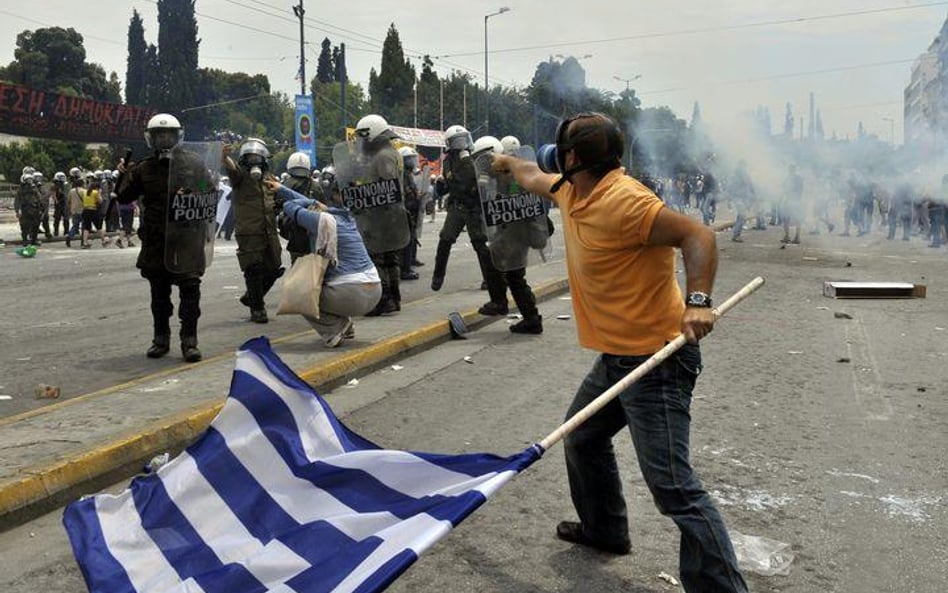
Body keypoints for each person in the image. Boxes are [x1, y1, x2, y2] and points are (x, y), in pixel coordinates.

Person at [492, 112, 747, 593]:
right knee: (583, 439)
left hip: (658, 360)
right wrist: (504, 161)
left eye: (559, 151)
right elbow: (531, 174)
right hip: (617, 357)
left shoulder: (626, 202)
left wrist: (698, 302)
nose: (552, 159)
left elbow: (699, 235)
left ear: (572, 158)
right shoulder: (571, 191)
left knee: (674, 489)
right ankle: (605, 531)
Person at [115, 113, 211, 363]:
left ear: (178, 137)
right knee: (159, 296)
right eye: (159, 135)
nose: (164, 139)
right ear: (151, 138)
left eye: (169, 134)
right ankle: (161, 339)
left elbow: (210, 191)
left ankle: (189, 341)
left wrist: (192, 191)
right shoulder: (143, 168)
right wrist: (122, 174)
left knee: (191, 293)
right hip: (157, 242)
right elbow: (123, 197)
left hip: (187, 239)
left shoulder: (194, 164)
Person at [265, 178, 382, 348]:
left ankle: (333, 331)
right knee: (330, 284)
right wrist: (281, 189)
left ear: (334, 195)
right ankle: (346, 327)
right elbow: (317, 204)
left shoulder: (322, 221)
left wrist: (289, 200)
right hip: (374, 292)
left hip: (351, 294)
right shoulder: (349, 218)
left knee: (298, 294)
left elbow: (291, 208)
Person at [431, 124, 509, 316]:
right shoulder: (448, 162)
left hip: (473, 208)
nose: (461, 145)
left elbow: (472, 179)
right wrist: (442, 186)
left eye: (463, 140)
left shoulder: (473, 159)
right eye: (457, 142)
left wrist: (465, 161)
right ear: (450, 144)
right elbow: (450, 184)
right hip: (457, 207)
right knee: (445, 239)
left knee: (481, 246)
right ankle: (438, 275)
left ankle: (488, 280)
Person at [223, 138, 285, 324]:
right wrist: (224, 157)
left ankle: (251, 297)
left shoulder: (270, 178)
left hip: (269, 231)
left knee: (274, 268)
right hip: (249, 231)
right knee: (253, 269)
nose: (254, 159)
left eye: (257, 156)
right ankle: (257, 309)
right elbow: (232, 169)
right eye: (250, 156)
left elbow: (279, 198)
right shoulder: (240, 176)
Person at [277, 151, 319, 265]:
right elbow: (323, 206)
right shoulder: (315, 185)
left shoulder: (285, 184)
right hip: (314, 230)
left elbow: (277, 206)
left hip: (294, 231)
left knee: (297, 265)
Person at [398, 145, 421, 281]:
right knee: (407, 240)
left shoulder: (408, 175)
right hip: (405, 210)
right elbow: (404, 194)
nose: (412, 162)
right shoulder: (402, 175)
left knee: (411, 239)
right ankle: (405, 269)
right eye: (409, 160)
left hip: (411, 210)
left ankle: (409, 263)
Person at [14, 171, 43, 246]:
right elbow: (17, 201)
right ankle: (25, 241)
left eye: (30, 179)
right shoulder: (20, 190)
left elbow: (39, 197)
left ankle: (34, 241)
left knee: (35, 226)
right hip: (25, 210)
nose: (29, 181)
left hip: (35, 209)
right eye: (27, 180)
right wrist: (17, 211)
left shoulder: (34, 188)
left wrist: (41, 207)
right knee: (24, 227)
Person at [729, 160, 755, 243]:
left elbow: (750, 186)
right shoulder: (736, 175)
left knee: (741, 216)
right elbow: (731, 188)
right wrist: (729, 199)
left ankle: (736, 234)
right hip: (738, 198)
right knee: (742, 215)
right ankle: (736, 235)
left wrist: (752, 196)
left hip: (743, 198)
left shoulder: (745, 175)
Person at [781, 164, 804, 244]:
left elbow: (798, 190)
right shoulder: (790, 178)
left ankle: (795, 237)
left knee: (794, 219)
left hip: (794, 200)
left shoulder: (794, 178)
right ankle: (790, 236)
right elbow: (784, 188)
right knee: (787, 219)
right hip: (792, 200)